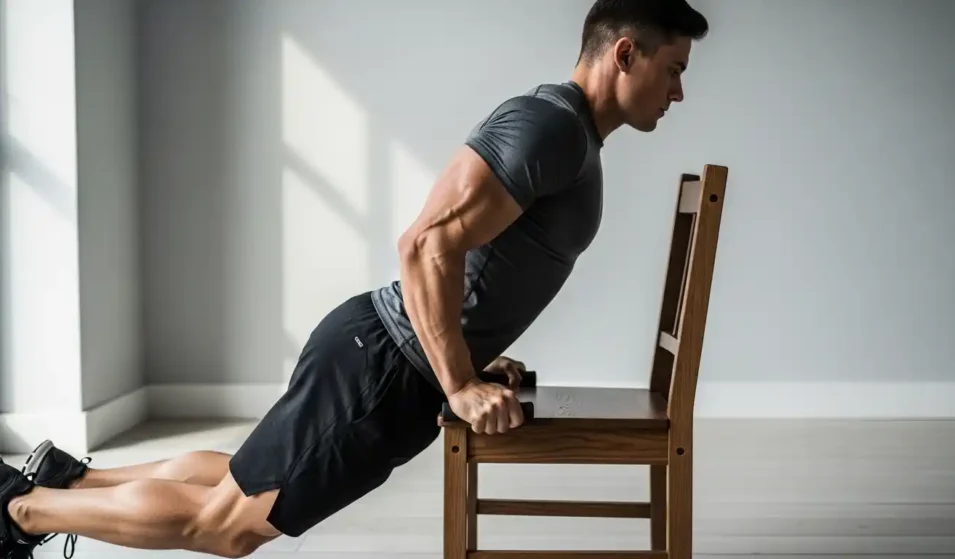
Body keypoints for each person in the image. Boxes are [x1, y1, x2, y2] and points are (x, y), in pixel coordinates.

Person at [0, 0, 708, 557]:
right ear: (625, 53)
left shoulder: (565, 129)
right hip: (385, 372)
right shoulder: (554, 128)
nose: (678, 91)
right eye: (674, 68)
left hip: (385, 357)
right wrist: (458, 382)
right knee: (225, 526)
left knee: (239, 481)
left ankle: (71, 479)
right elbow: (426, 244)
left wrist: (468, 357)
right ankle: (21, 511)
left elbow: (473, 257)